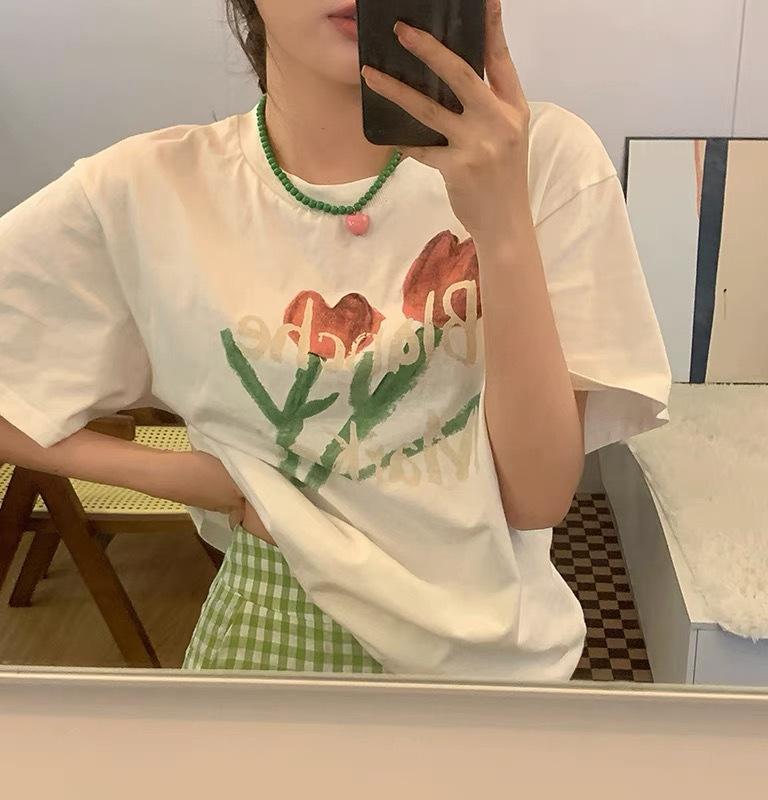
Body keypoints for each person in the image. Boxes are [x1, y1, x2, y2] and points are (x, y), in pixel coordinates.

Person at [0, 0, 671, 680]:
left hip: (494, 662)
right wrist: (209, 482)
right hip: (263, 634)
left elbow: (536, 498)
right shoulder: (147, 188)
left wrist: (500, 224)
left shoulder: (542, 157)